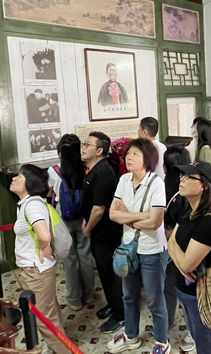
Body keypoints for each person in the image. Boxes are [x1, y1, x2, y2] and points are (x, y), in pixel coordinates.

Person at [107, 138, 170, 354]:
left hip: (152, 250)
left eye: (135, 154)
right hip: (128, 249)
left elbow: (155, 222)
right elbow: (112, 214)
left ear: (147, 159)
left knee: (154, 299)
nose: (129, 158)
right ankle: (131, 336)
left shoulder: (156, 183)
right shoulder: (124, 180)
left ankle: (161, 341)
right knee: (129, 296)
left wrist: (127, 216)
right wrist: (142, 215)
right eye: (128, 154)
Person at [167, 161, 211, 354]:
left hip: (204, 296)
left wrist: (182, 263)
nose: (182, 180)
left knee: (209, 347)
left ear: (204, 186)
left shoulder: (210, 220)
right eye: (181, 175)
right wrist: (181, 264)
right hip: (187, 291)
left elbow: (186, 263)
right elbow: (170, 243)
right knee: (200, 339)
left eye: (188, 177)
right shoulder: (189, 210)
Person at [10, 164, 71, 354]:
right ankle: (58, 346)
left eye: (19, 176)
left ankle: (64, 350)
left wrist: (45, 248)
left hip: (37, 269)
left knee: (44, 319)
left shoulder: (32, 205)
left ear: (30, 182)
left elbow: (44, 235)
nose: (14, 179)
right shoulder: (29, 203)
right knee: (50, 311)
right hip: (38, 268)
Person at [80, 131, 125, 334]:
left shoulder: (104, 172)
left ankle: (120, 315)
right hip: (98, 231)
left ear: (99, 151)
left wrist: (88, 228)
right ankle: (112, 304)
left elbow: (99, 209)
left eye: (87, 145)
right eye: (84, 144)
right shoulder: (93, 170)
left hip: (107, 233)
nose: (83, 148)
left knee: (110, 274)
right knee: (104, 273)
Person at [47, 135, 94, 312]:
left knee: (69, 259)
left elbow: (50, 192)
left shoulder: (53, 171)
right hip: (84, 218)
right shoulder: (86, 168)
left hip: (62, 220)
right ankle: (89, 294)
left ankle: (74, 299)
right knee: (85, 256)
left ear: (60, 151)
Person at [161, 147, 196, 353]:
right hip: (169, 248)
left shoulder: (188, 192)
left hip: (187, 250)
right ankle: (169, 318)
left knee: (187, 293)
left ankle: (192, 332)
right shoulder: (163, 187)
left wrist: (170, 231)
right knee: (169, 285)